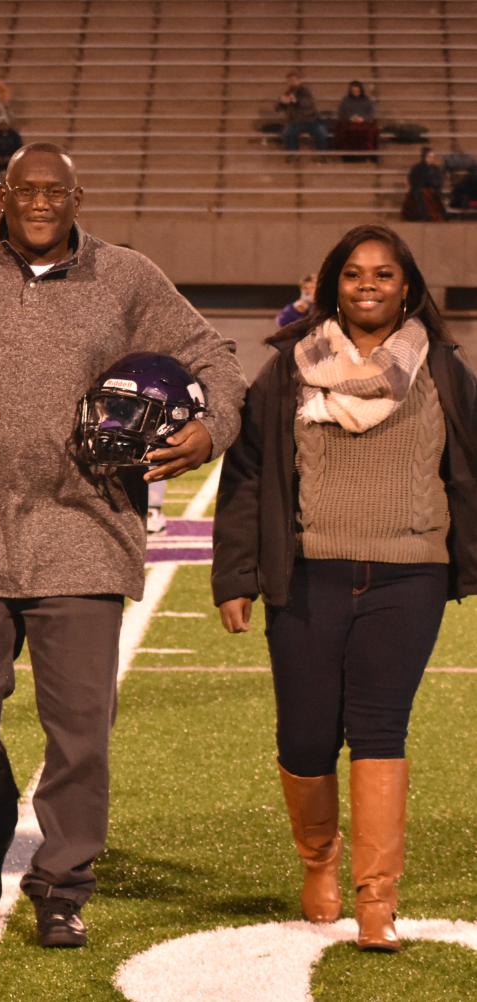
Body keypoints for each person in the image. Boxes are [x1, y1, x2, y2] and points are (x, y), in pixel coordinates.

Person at [0, 143, 245, 947]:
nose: (38, 203)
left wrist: (208, 430)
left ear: (75, 196)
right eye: (25, 189)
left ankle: (62, 884)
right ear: (2, 192)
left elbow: (215, 360)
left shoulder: (126, 276)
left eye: (53, 191)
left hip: (86, 530)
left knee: (80, 730)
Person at [212, 223, 477, 953]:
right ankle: (318, 862)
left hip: (409, 574)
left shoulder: (442, 368)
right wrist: (235, 573)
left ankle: (375, 899)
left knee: (378, 729)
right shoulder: (289, 368)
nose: (368, 285)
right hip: (307, 573)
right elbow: (246, 475)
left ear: (406, 286)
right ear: (333, 284)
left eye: (383, 275)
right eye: (354, 274)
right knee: (303, 736)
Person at [278, 71, 329, 152]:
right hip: (295, 122)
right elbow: (277, 108)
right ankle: (293, 154)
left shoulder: (306, 91)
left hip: (312, 121)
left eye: (293, 80)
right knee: (287, 134)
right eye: (289, 81)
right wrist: (281, 102)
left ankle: (321, 154)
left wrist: (295, 101)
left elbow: (308, 104)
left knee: (321, 133)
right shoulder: (287, 92)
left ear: (299, 81)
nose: (292, 83)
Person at [334, 80, 379, 156]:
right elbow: (341, 113)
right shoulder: (345, 100)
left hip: (364, 123)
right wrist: (350, 118)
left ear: (361, 90)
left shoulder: (367, 100)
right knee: (346, 131)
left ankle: (366, 155)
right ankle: (349, 156)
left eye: (357, 91)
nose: (355, 92)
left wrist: (363, 119)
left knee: (369, 131)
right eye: (353, 91)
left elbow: (371, 113)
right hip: (349, 122)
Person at [402, 147, 446, 222]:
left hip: (432, 191)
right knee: (421, 194)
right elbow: (413, 181)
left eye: (432, 157)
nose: (431, 159)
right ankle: (423, 215)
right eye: (429, 157)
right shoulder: (416, 168)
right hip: (419, 191)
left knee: (430, 195)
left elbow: (439, 181)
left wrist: (432, 185)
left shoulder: (435, 169)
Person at [0, 117, 23, 189]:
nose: (3, 126)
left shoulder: (15, 136)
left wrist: (11, 158)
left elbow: (19, 150)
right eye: (1, 124)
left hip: (12, 161)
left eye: (5, 124)